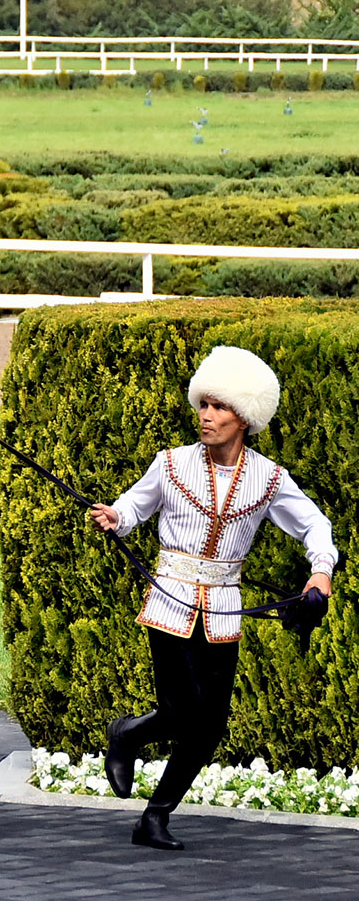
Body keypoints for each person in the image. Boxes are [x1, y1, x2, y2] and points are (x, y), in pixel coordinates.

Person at [89, 345, 335, 852]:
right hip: (171, 600)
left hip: (224, 610)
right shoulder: (171, 463)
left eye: (219, 407)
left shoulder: (269, 478)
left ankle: (154, 817)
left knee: (210, 727)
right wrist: (116, 516)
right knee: (182, 710)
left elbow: (315, 525)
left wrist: (320, 572)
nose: (206, 415)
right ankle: (127, 735)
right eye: (203, 404)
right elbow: (134, 505)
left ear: (243, 418)